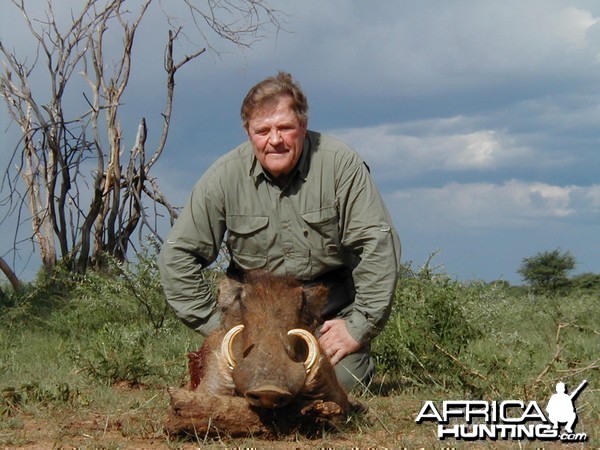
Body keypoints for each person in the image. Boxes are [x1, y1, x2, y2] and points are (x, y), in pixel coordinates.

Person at [159, 71, 400, 391]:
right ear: (248, 132)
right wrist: (219, 327)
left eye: (285, 127)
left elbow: (377, 245)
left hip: (322, 315)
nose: (275, 140)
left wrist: (356, 328)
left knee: (335, 385)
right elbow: (177, 255)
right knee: (229, 389)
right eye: (263, 130)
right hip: (250, 318)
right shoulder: (223, 176)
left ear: (302, 125)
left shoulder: (341, 165)